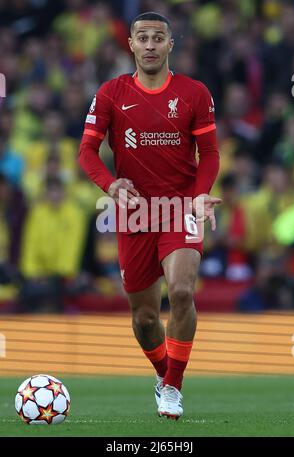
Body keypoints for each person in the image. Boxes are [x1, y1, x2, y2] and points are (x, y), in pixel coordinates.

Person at [79, 11, 221, 420]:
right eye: (143, 37)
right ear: (131, 44)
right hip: (135, 213)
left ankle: (173, 389)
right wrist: (110, 185)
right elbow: (87, 151)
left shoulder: (194, 93)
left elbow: (209, 154)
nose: (151, 45)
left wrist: (199, 196)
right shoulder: (110, 93)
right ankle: (165, 376)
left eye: (159, 37)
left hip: (180, 207)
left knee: (180, 292)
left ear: (170, 44)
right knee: (144, 318)